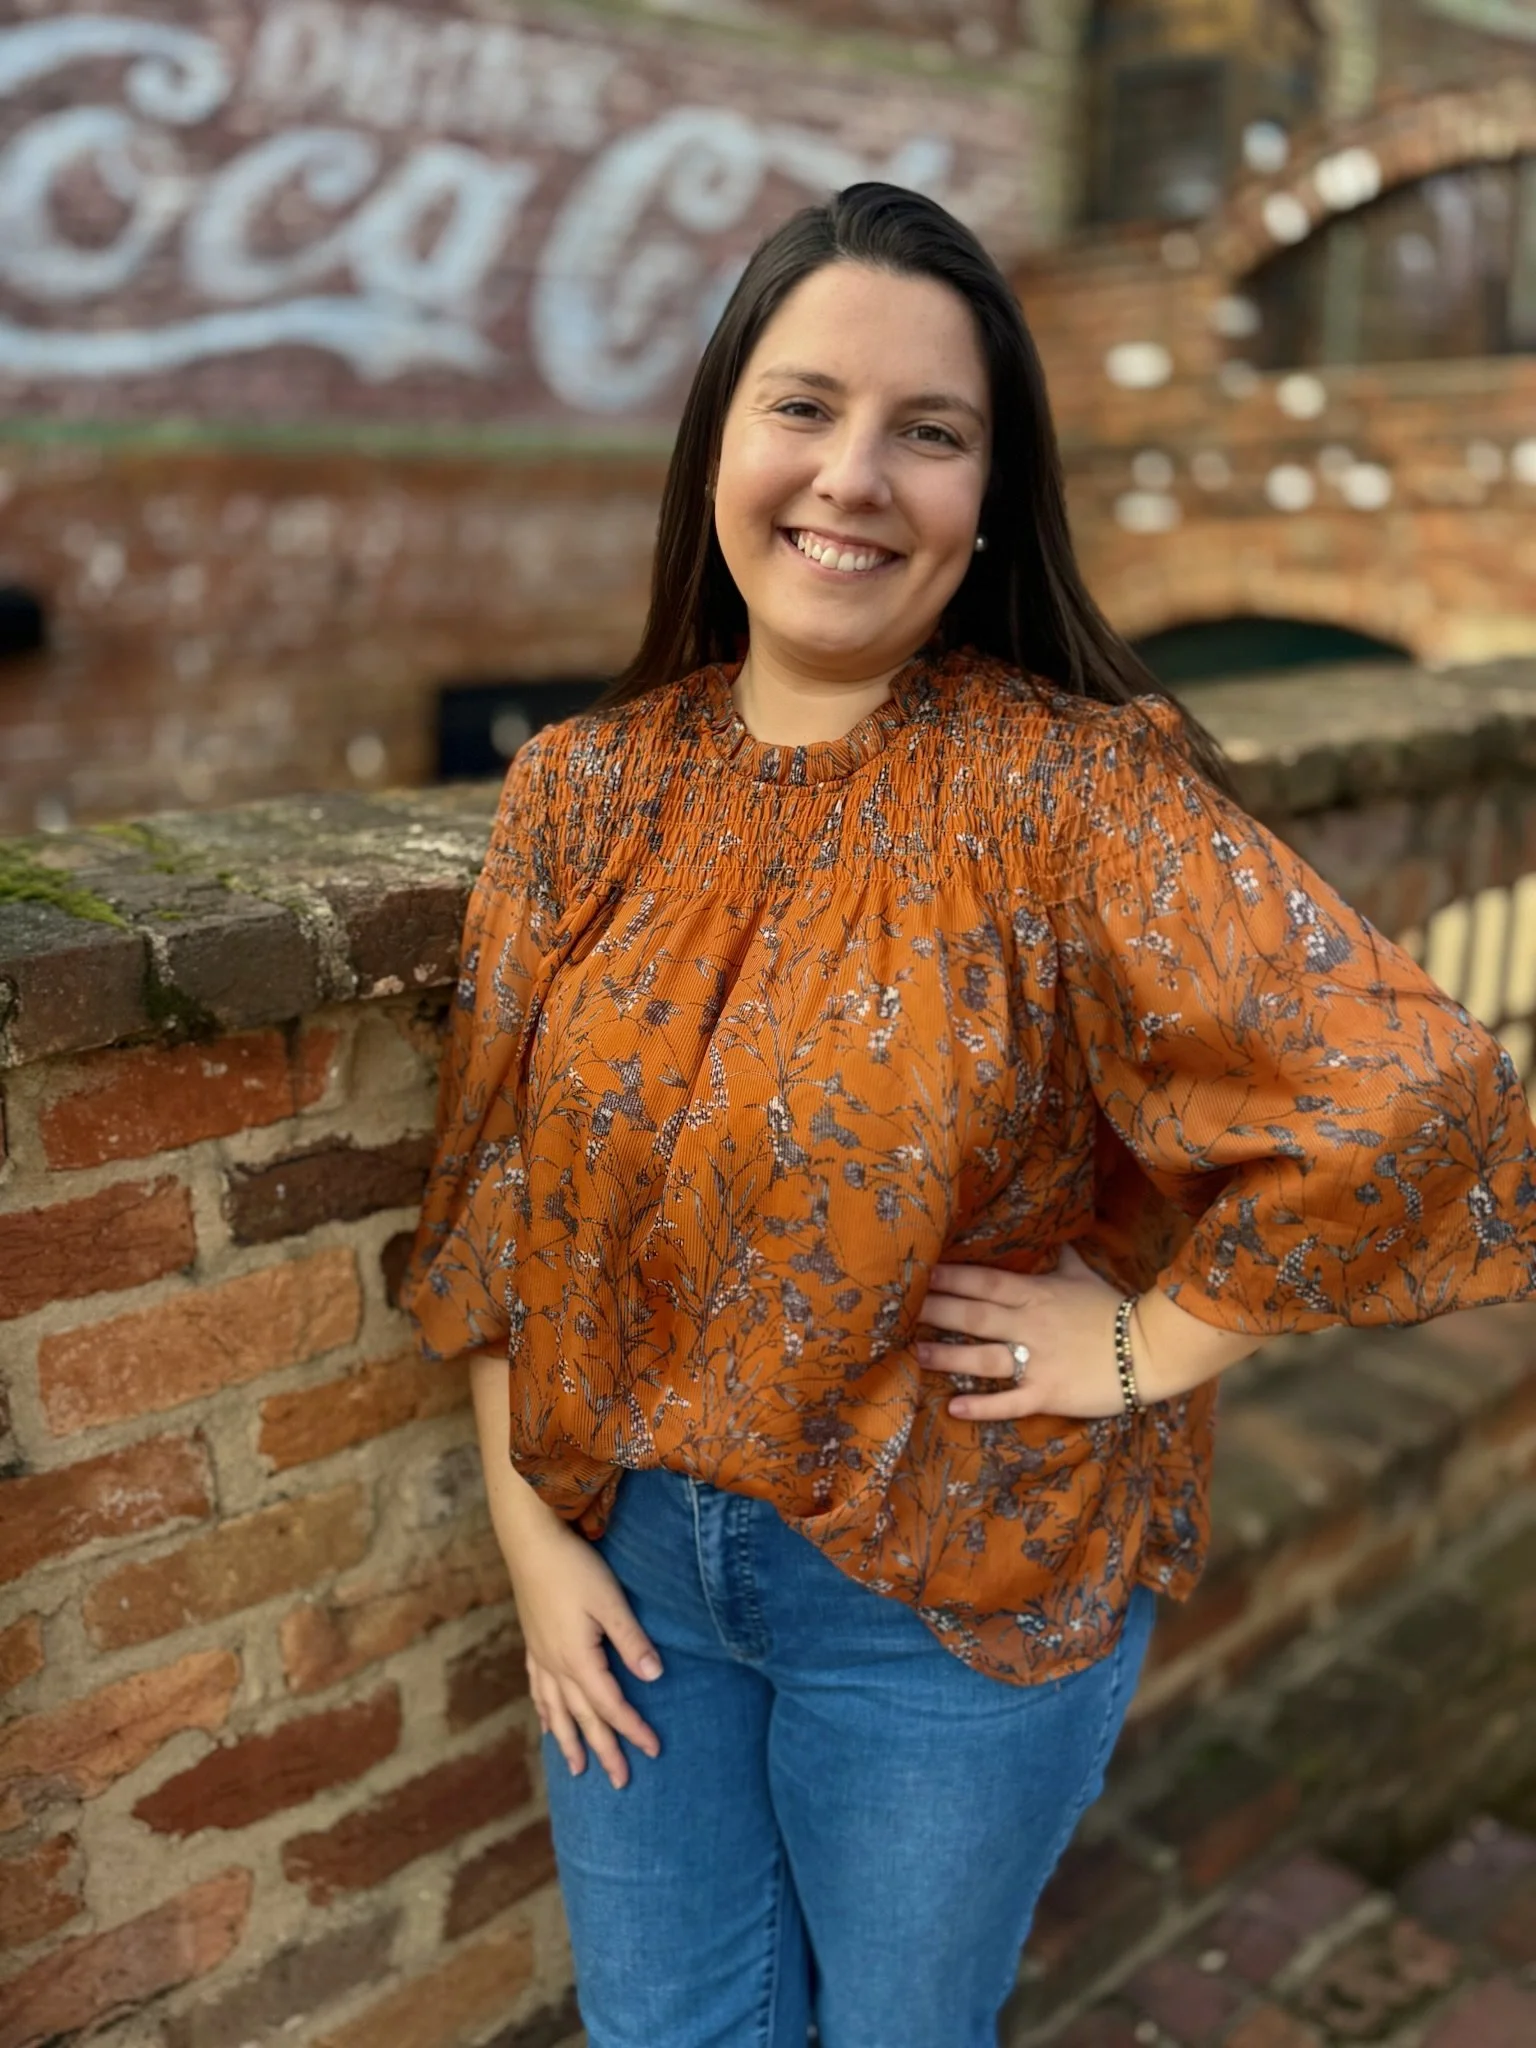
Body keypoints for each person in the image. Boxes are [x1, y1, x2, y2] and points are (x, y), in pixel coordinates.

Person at [401, 183, 1536, 2048]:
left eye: (926, 432)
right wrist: (536, 1543)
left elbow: (1416, 1090)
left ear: (986, 499)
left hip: (945, 1594)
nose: (854, 476)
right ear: (717, 447)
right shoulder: (580, 796)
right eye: (805, 407)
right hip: (632, 1581)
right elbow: (500, 1197)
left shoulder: (1069, 794)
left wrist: (1148, 1341)